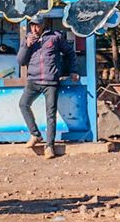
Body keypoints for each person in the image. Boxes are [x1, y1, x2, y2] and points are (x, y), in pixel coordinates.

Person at [16, 16, 79, 159]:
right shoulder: (27, 39)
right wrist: (27, 45)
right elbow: (20, 61)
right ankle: (35, 134)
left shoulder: (55, 37)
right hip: (33, 80)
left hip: (51, 81)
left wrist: (72, 70)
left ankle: (49, 146)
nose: (34, 29)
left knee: (50, 114)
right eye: (32, 25)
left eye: (37, 25)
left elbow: (69, 53)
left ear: (43, 25)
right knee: (23, 104)